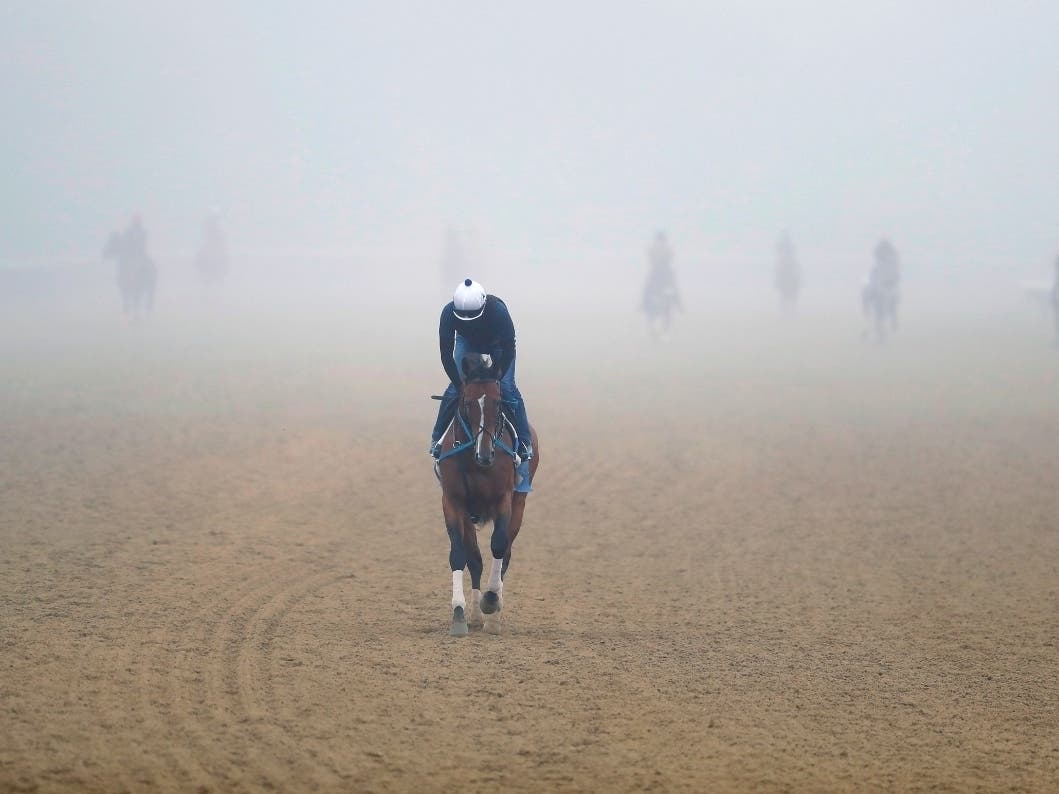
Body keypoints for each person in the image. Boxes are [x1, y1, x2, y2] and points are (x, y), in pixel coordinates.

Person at [430, 279, 533, 461]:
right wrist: (459, 383)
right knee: (454, 390)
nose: (468, 320)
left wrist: (497, 376)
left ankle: (524, 442)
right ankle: (437, 439)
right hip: (467, 342)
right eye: (463, 317)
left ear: (484, 306)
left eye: (473, 316)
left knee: (507, 388)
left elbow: (509, 348)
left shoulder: (498, 311)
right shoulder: (447, 313)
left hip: (497, 344)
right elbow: (446, 356)